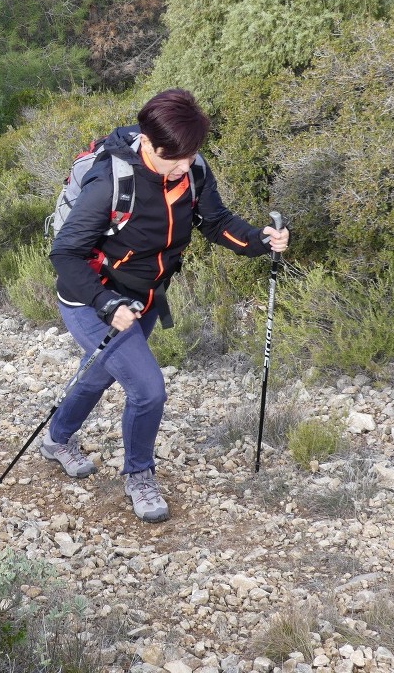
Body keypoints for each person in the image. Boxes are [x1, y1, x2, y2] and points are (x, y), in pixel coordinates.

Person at [43, 89, 289, 522]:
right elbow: (65, 255)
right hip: (90, 299)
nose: (183, 165)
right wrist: (104, 303)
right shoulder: (111, 183)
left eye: (190, 154)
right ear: (148, 142)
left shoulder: (192, 169)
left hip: (144, 298)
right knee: (148, 389)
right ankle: (140, 475)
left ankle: (57, 439)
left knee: (99, 372)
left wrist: (259, 240)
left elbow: (215, 222)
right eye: (173, 157)